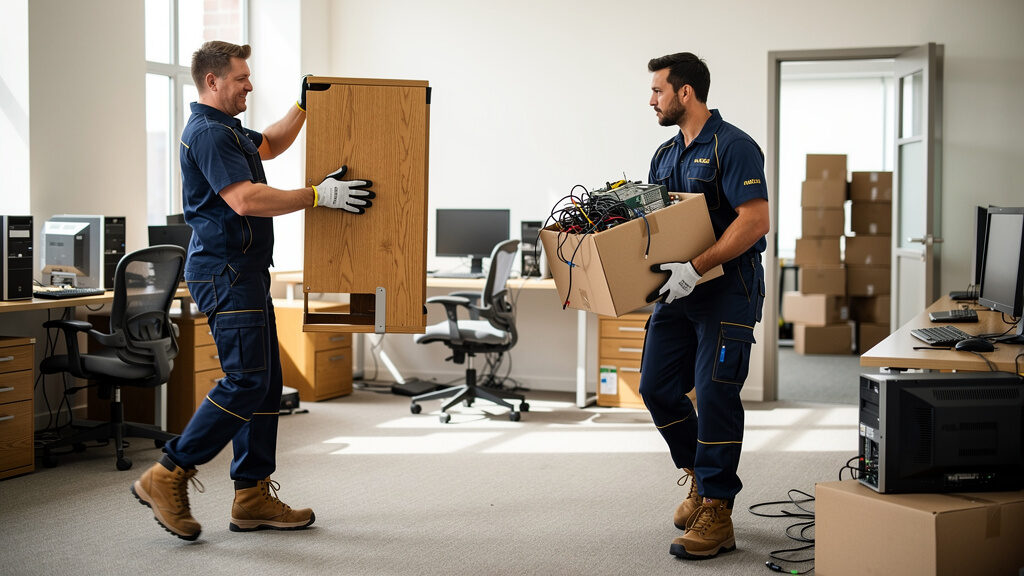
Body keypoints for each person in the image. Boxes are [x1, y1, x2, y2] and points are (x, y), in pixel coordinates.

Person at [131, 41, 375, 541]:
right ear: (213, 81)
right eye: (241, 78)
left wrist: (304, 104)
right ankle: (168, 472)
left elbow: (273, 144)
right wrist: (317, 195)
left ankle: (251, 496)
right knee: (245, 380)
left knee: (264, 385)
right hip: (225, 273)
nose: (250, 85)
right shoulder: (208, 133)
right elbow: (244, 200)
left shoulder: (228, 130)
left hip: (245, 270)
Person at [639, 52, 770, 560]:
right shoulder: (664, 154)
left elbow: (754, 221)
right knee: (656, 387)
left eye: (658, 90)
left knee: (715, 394)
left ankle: (718, 509)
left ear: (685, 92)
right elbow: (656, 227)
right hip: (679, 289)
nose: (652, 100)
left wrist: (697, 267)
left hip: (727, 288)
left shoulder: (733, 146)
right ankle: (698, 474)